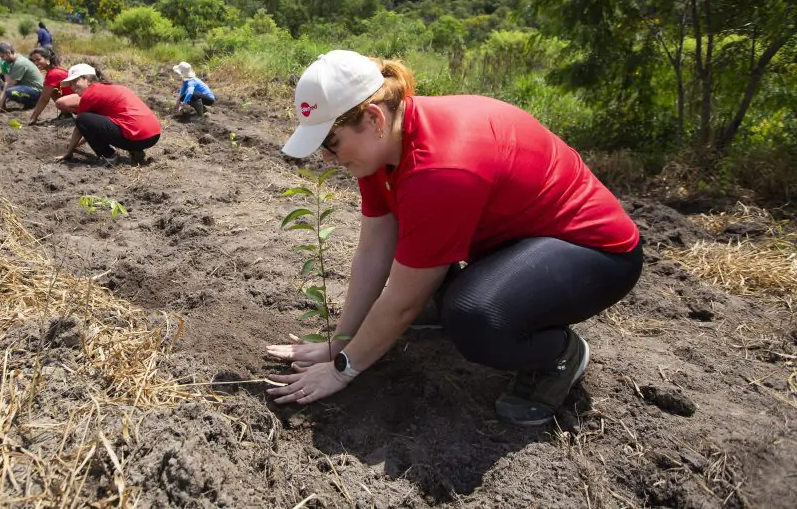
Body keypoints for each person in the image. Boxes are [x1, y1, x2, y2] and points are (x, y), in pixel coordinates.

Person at [265, 50, 643, 427]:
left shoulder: (440, 168)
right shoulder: (383, 144)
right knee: (423, 272)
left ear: (373, 117)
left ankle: (559, 355)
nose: (328, 158)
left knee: (474, 317)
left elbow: (402, 299)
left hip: (595, 254)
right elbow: (373, 251)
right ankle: (462, 305)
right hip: (516, 242)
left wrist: (340, 371)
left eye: (331, 141)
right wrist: (341, 341)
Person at [54, 64, 161, 165]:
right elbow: (96, 129)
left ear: (86, 79)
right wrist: (78, 144)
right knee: (121, 121)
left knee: (82, 119)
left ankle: (109, 156)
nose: (72, 87)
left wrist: (69, 151)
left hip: (137, 138)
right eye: (70, 84)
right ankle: (135, 150)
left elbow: (80, 128)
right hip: (154, 135)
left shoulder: (89, 95)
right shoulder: (112, 88)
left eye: (75, 81)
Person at [26, 47, 75, 125]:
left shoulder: (53, 74)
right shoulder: (55, 70)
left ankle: (72, 116)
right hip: (75, 99)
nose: (35, 63)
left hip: (80, 103)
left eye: (38, 60)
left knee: (53, 94)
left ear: (47, 58)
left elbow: (44, 99)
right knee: (51, 89)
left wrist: (33, 117)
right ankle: (66, 114)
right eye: (33, 61)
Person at [0, 42, 44, 110]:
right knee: (4, 87)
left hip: (36, 91)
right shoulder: (15, 60)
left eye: (2, 56)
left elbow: (10, 84)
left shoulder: (19, 63)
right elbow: (8, 80)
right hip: (28, 86)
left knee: (9, 91)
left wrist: (2, 100)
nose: (2, 59)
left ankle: (32, 102)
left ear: (8, 53)